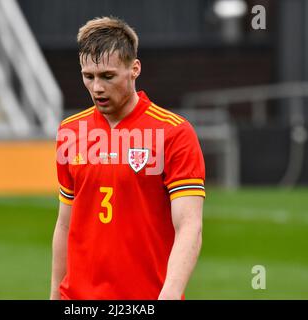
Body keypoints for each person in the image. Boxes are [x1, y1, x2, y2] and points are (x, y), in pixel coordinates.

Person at [51, 16, 205, 300]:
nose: (97, 87)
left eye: (107, 76)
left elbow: (189, 225)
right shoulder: (70, 132)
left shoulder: (174, 133)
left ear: (134, 69)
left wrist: (170, 294)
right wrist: (54, 295)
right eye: (89, 76)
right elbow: (64, 223)